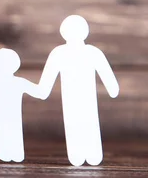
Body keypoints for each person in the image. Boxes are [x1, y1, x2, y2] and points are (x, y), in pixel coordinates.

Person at [38, 15, 119, 166]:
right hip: (72, 97)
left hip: (82, 97)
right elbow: (47, 81)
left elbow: (46, 83)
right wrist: (112, 88)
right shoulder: (66, 53)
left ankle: (89, 155)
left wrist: (42, 91)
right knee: (79, 123)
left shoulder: (63, 53)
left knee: (84, 122)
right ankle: (81, 155)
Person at [0, 48, 47, 162]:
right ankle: (10, 154)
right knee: (8, 132)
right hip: (8, 119)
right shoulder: (16, 82)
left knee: (9, 132)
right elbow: (41, 92)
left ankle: (10, 154)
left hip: (10, 119)